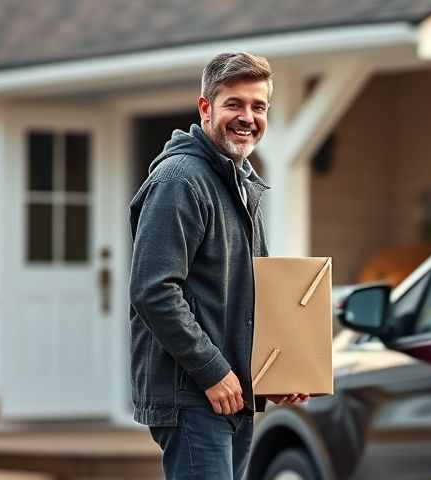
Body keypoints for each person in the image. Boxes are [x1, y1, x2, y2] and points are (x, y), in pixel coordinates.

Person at [129, 52, 307, 479]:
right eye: (234, 104)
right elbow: (154, 290)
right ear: (205, 108)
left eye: (258, 106)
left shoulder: (237, 184)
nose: (248, 117)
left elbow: (246, 295)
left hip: (233, 392)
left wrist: (272, 372)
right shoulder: (180, 181)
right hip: (195, 394)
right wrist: (213, 371)